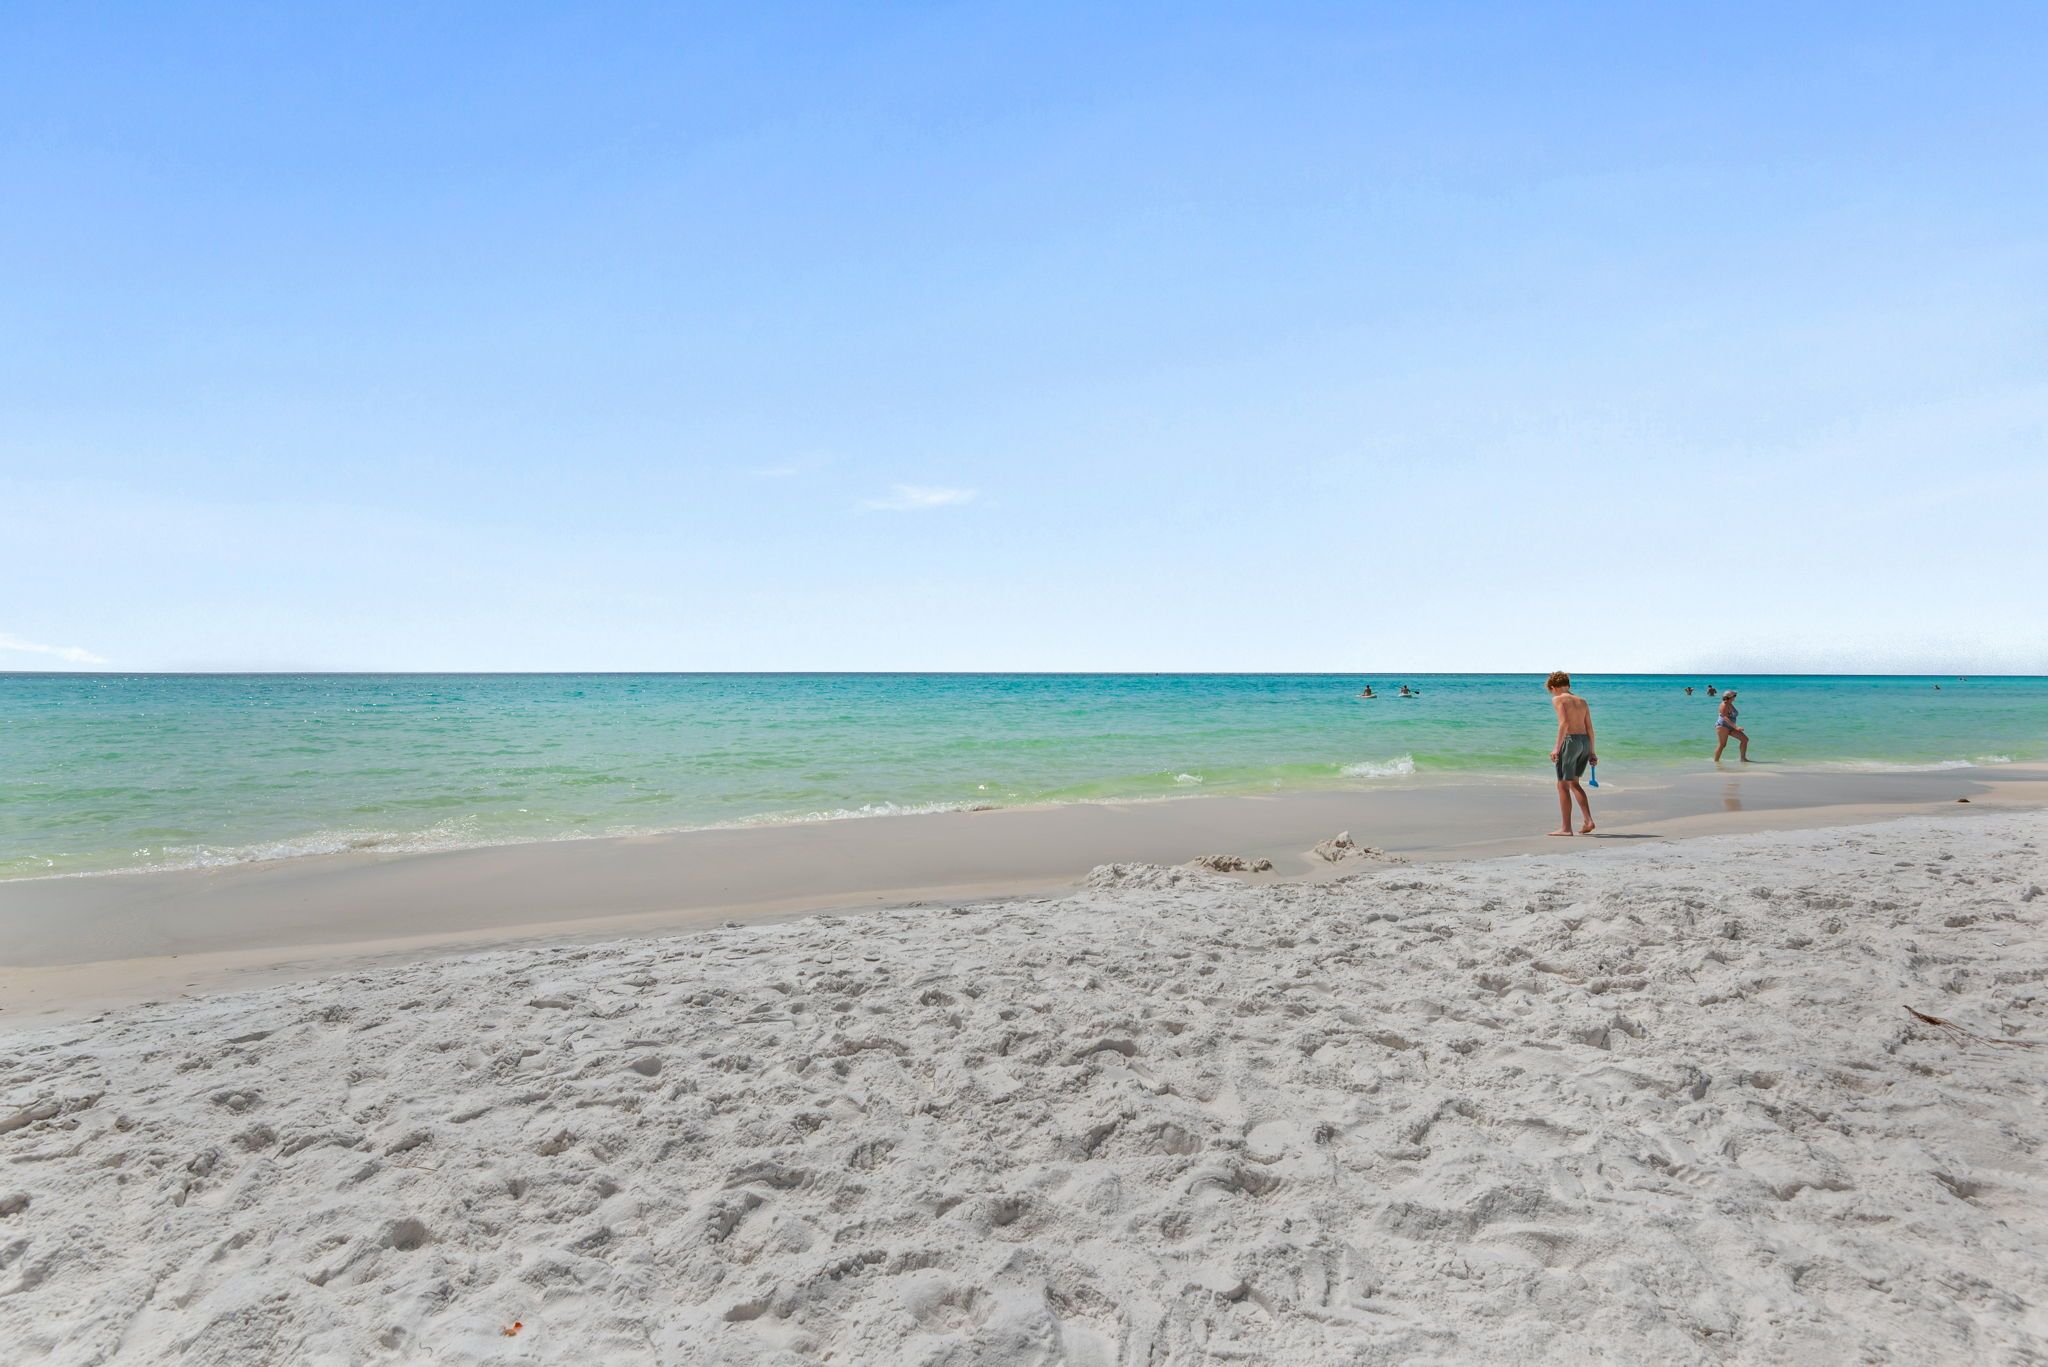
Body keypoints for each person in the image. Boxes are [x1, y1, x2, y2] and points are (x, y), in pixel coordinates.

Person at [1545, 670, 1595, 835]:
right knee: (1574, 783)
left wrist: (1556, 748)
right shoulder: (1582, 701)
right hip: (1584, 742)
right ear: (1568, 684)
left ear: (1553, 687)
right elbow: (1589, 728)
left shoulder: (1558, 699)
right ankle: (1588, 821)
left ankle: (1566, 828)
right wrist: (1592, 752)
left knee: (1562, 785)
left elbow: (1564, 723)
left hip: (1571, 742)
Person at [1713, 689, 1750, 762]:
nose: (1735, 697)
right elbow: (1725, 718)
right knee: (1722, 745)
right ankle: (1716, 762)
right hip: (1722, 726)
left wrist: (1734, 726)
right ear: (1729, 697)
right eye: (1734, 695)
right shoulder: (1724, 705)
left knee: (1745, 739)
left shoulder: (1730, 703)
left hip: (1731, 726)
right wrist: (1736, 727)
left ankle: (1743, 759)